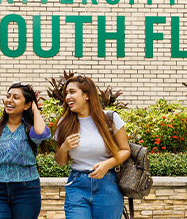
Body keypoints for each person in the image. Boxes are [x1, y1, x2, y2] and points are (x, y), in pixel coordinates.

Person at [54, 75, 131, 219]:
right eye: (66, 93)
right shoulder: (64, 123)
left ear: (87, 95)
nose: (67, 97)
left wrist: (108, 164)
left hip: (108, 185)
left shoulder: (110, 119)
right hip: (77, 185)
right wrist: (64, 147)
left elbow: (125, 150)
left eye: (72, 92)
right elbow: (61, 162)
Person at [0, 82, 51, 218]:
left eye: (16, 97)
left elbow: (42, 133)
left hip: (27, 190)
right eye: (8, 96)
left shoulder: (30, 129)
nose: (10, 100)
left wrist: (35, 110)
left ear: (27, 105)